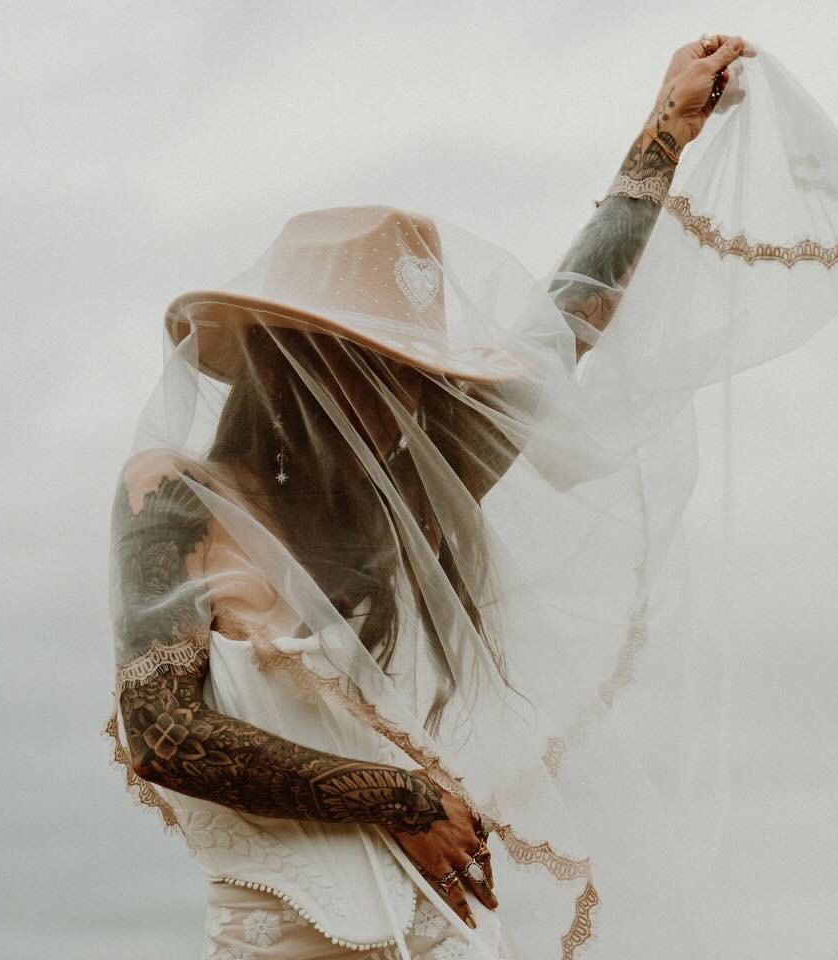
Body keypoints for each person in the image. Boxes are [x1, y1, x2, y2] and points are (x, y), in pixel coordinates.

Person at [108, 35, 747, 960]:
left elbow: (560, 328)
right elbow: (159, 728)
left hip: (433, 931)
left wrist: (662, 137)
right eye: (372, 371)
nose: (400, 401)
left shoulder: (401, 504)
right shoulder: (174, 497)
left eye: (410, 375)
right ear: (294, 367)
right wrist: (402, 797)